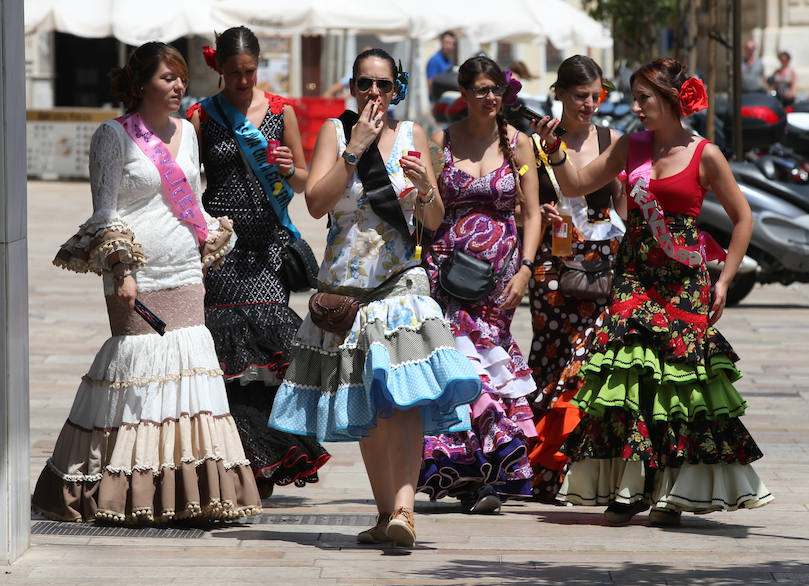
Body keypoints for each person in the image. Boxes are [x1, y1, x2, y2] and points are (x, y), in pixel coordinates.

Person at [534, 57, 772, 526]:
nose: (636, 106)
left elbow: (743, 219)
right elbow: (579, 184)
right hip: (634, 278)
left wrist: (724, 280)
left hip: (683, 284)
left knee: (678, 386)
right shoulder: (632, 145)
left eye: (644, 97)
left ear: (669, 98)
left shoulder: (705, 154)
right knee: (628, 380)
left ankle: (670, 492)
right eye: (636, 97)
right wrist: (555, 149)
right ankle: (628, 486)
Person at [32, 42, 261, 523]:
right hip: (136, 276)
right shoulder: (112, 137)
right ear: (140, 85)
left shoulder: (188, 132)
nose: (179, 86)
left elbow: (194, 201)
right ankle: (126, 489)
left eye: (181, 77)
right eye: (167, 78)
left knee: (188, 373)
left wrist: (213, 238)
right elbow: (105, 211)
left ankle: (186, 491)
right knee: (138, 373)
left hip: (184, 272)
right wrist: (123, 269)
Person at [268, 48, 482, 548]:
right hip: (345, 294)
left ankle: (405, 510)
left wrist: (428, 189)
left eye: (383, 85)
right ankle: (385, 513)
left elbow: (432, 221)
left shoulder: (413, 137)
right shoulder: (335, 133)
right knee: (365, 400)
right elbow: (317, 204)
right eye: (364, 84)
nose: (373, 94)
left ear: (397, 88)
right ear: (353, 86)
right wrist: (353, 149)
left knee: (403, 398)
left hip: (400, 285)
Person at [187, 26, 329, 500]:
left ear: (259, 65)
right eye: (233, 74)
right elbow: (189, 180)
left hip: (268, 246)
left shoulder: (280, 111)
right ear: (218, 69)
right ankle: (238, 459)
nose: (243, 81)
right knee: (228, 358)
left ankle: (268, 458)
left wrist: (289, 168)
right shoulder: (203, 116)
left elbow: (307, 180)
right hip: (222, 249)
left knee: (267, 357)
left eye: (249, 72)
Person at [417, 56, 542, 513]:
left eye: (497, 90)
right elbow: (427, 208)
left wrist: (527, 268)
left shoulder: (519, 144)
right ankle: (466, 472)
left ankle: (490, 469)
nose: (491, 98)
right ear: (464, 94)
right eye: (482, 90)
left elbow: (531, 212)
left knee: (489, 363)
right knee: (458, 367)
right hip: (446, 272)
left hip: (500, 276)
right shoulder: (440, 140)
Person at [525, 55, 627, 503]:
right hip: (552, 261)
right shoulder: (536, 143)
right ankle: (541, 472)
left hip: (602, 261)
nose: (589, 104)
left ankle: (579, 468)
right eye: (581, 95)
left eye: (596, 96)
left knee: (588, 361)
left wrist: (618, 239)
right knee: (550, 358)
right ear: (560, 94)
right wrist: (544, 217)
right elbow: (520, 205)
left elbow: (624, 199)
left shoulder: (612, 139)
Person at [427, 31, 457, 98]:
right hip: (438, 102)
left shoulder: (449, 60)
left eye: (453, 44)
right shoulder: (434, 60)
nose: (450, 46)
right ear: (441, 43)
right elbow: (430, 85)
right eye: (447, 43)